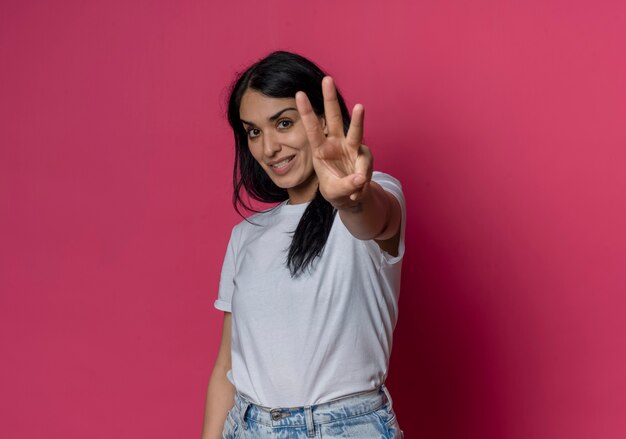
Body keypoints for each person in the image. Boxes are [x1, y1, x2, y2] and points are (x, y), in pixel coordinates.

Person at [201, 51, 406, 439]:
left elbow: (372, 217)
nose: (268, 148)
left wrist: (351, 198)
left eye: (283, 123)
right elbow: (226, 366)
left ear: (323, 122)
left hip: (344, 429)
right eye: (254, 131)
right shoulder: (246, 236)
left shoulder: (373, 193)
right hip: (247, 426)